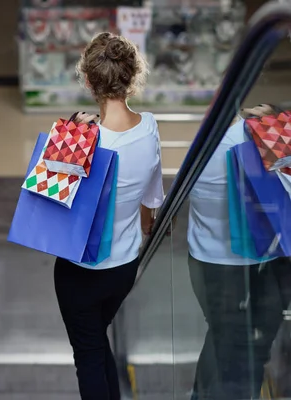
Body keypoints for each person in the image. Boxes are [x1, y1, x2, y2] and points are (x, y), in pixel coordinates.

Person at [54, 32, 164, 400]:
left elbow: (53, 204)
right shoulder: (149, 127)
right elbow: (151, 202)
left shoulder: (82, 137)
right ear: (133, 76)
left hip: (79, 269)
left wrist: (69, 136)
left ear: (87, 80)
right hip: (123, 267)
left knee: (87, 354)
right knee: (97, 342)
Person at [187, 104, 291, 399]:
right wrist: (275, 119)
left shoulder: (198, 148)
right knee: (253, 348)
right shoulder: (259, 132)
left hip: (211, 263)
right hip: (270, 259)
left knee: (221, 337)